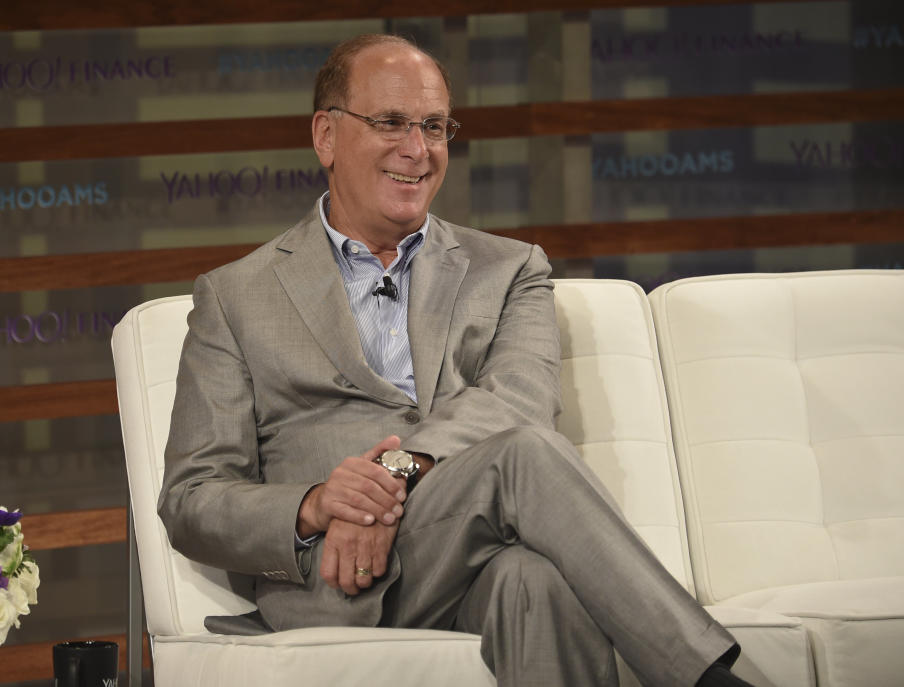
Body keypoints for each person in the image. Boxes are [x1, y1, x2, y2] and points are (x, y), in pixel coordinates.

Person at [158, 33, 751, 687]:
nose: (418, 150)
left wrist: (394, 470)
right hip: (339, 577)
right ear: (327, 136)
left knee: (532, 579)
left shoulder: (511, 269)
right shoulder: (237, 295)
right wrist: (319, 503)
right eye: (390, 123)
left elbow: (522, 397)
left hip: (462, 556)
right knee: (524, 454)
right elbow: (193, 498)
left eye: (434, 126)